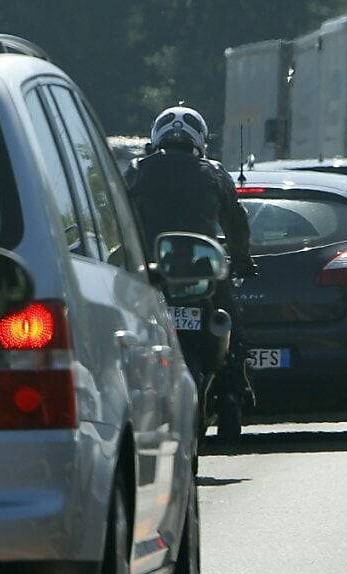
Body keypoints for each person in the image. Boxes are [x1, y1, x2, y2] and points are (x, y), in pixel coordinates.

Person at [127, 105, 257, 426]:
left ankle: (228, 390)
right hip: (204, 272)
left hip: (152, 272)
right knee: (234, 326)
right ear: (199, 139)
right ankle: (234, 388)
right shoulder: (214, 172)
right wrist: (242, 260)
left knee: (128, 332)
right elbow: (236, 223)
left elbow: (116, 217)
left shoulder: (136, 171)